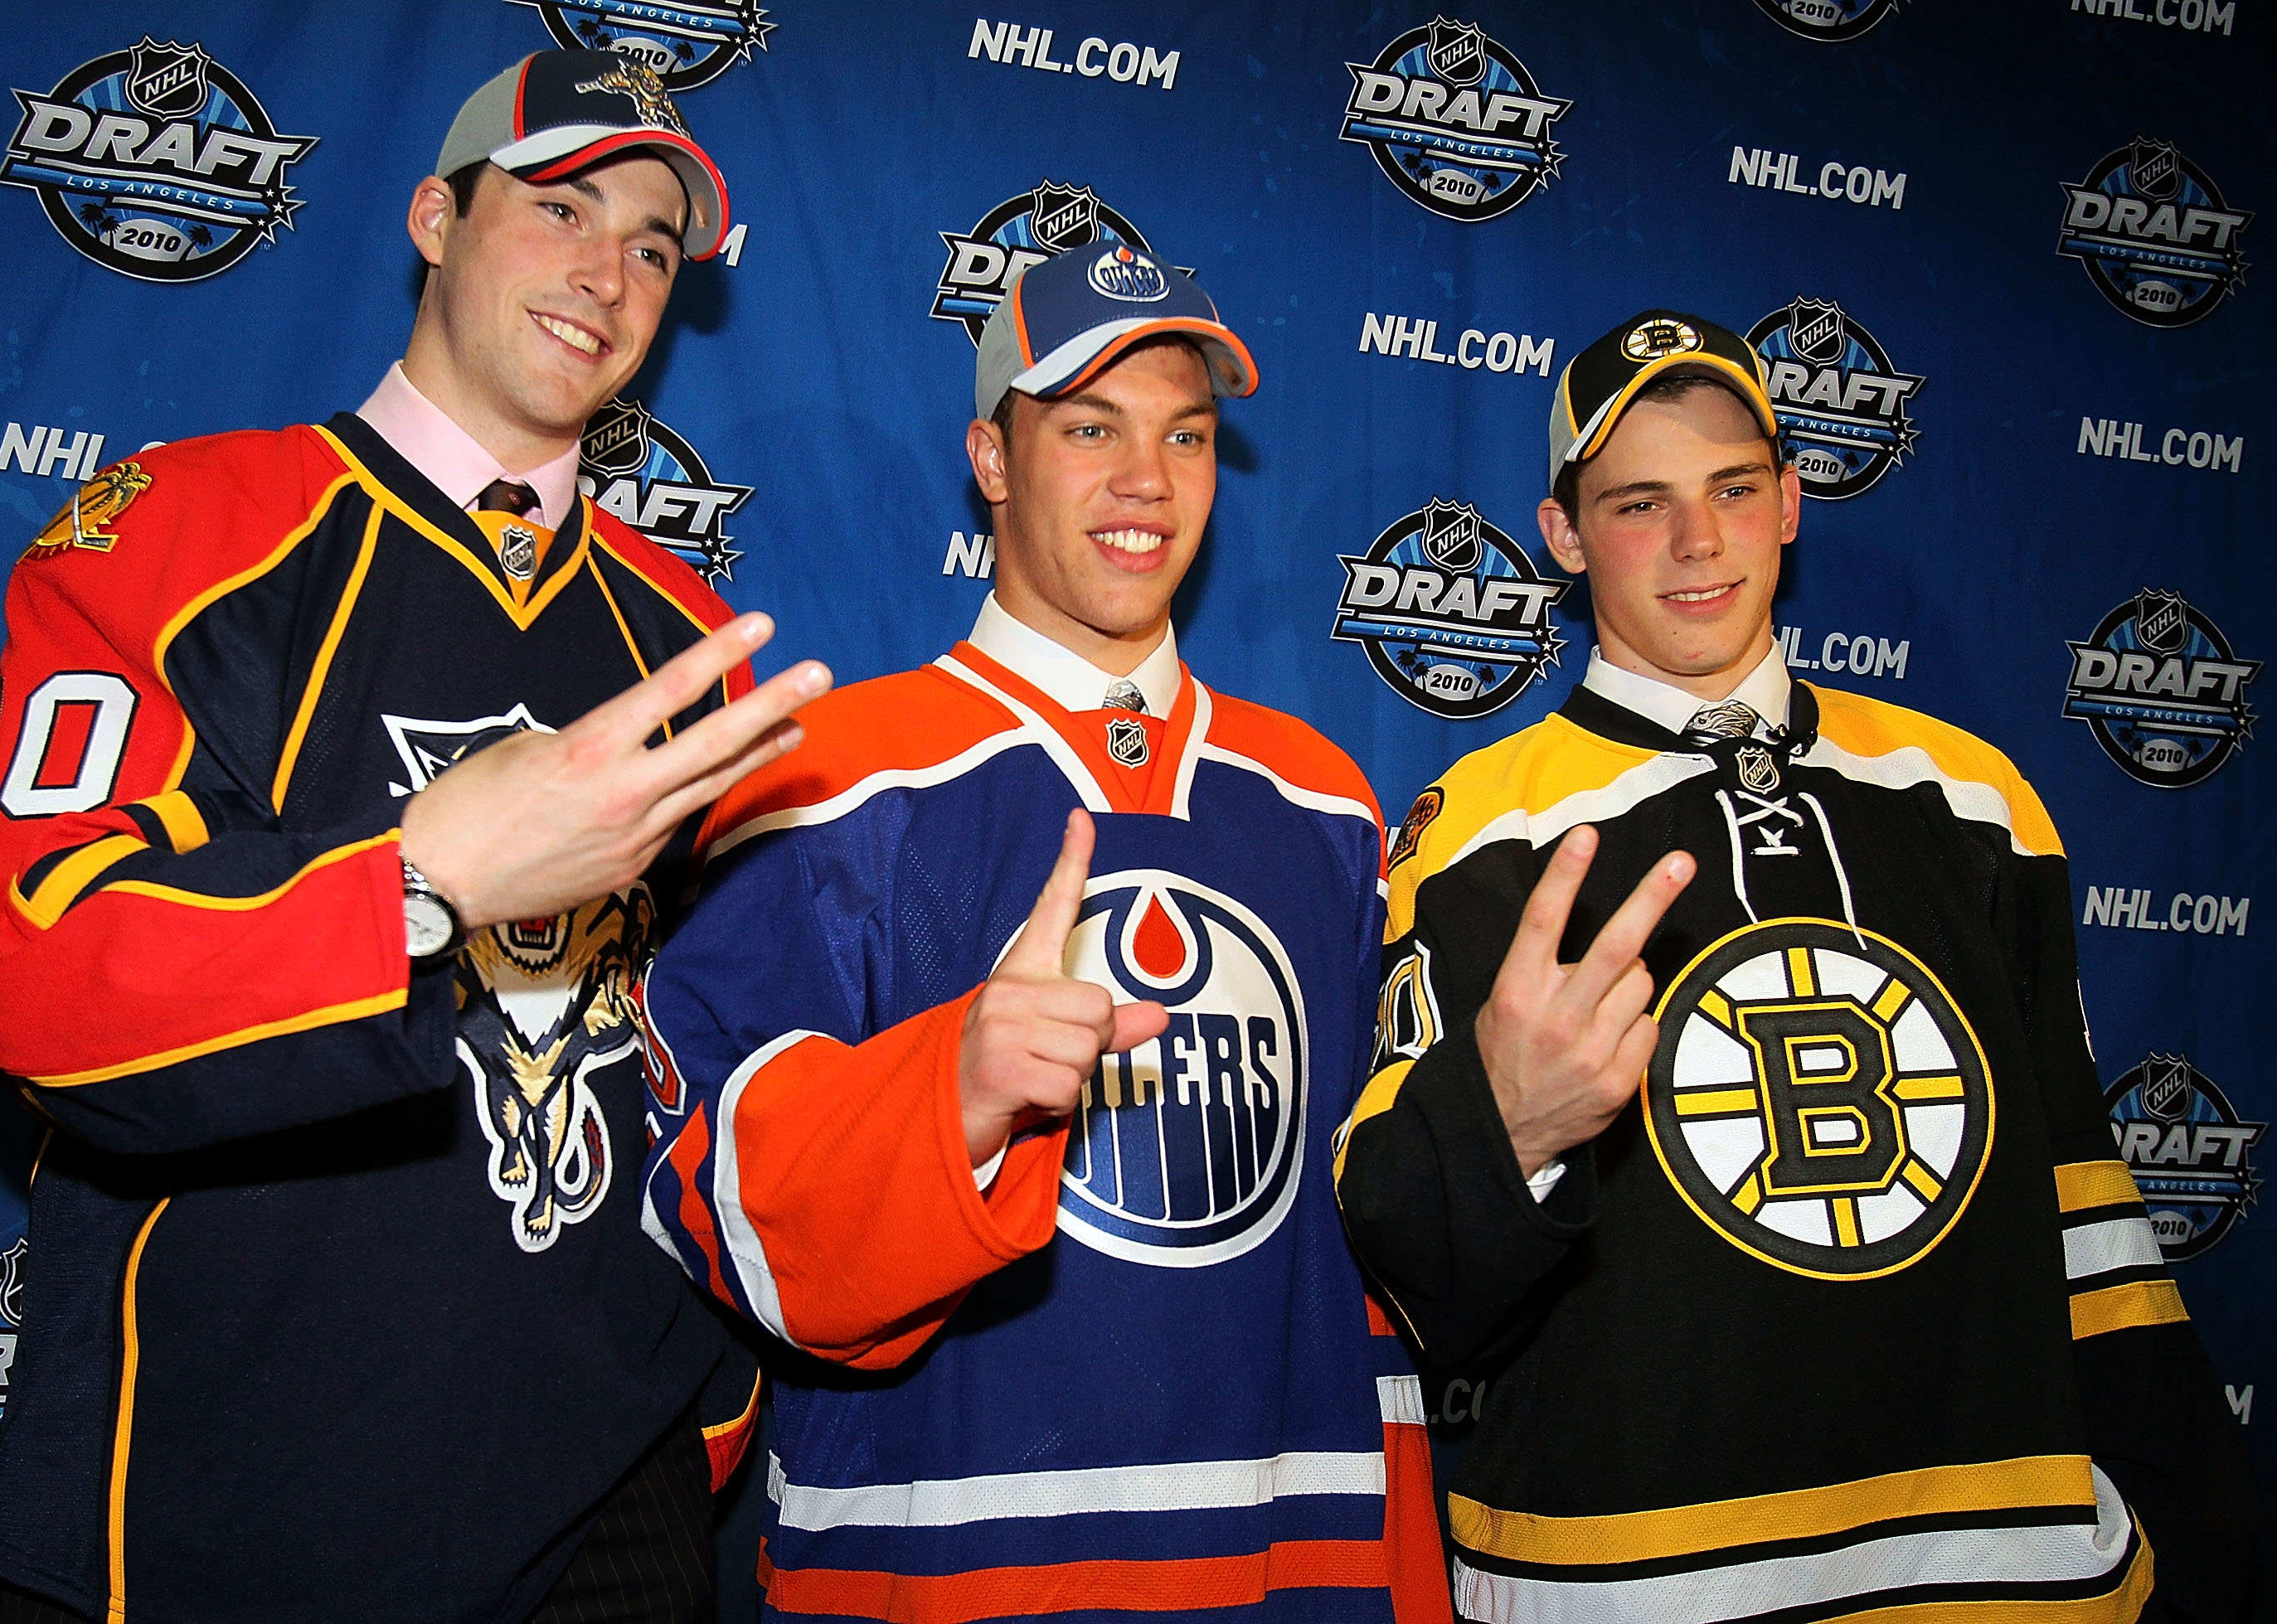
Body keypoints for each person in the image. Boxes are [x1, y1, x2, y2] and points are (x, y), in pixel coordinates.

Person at [0, 51, 830, 1624]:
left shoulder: (694, 644)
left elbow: (718, 1068)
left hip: (609, 1496)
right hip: (225, 1483)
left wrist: (704, 1399)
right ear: (434, 214)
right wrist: (422, 877)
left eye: (653, 246)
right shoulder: (182, 530)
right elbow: (29, 959)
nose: (609, 275)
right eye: (562, 206)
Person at [1335, 309, 2257, 1621]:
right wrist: (1507, 1130)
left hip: (1999, 1580)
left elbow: (2084, 1203)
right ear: (1563, 536)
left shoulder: (1972, 796)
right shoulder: (1480, 830)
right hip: (1637, 1585)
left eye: (1732, 488)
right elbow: (1410, 1255)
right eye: (1639, 502)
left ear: (1791, 502)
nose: (1698, 542)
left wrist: (2195, 1528)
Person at [635, 242, 1450, 1620]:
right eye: (1089, 428)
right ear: (993, 461)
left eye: (1185, 433)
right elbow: (707, 1212)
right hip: (943, 1579)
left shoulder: (1322, 796)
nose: (1148, 479)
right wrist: (943, 1093)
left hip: (1291, 1573)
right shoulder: (824, 773)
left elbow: (1350, 1247)